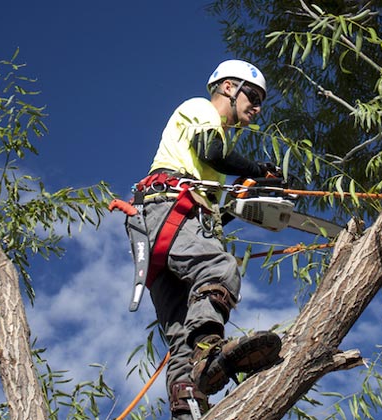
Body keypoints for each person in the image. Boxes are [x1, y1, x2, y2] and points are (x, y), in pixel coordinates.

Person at [133, 59, 282, 419]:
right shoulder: (200, 110)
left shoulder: (210, 163)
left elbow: (215, 216)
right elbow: (212, 152)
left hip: (162, 228)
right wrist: (257, 169)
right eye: (253, 96)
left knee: (182, 333)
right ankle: (209, 351)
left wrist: (244, 197)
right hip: (168, 209)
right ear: (229, 87)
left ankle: (188, 407)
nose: (257, 107)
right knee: (218, 267)